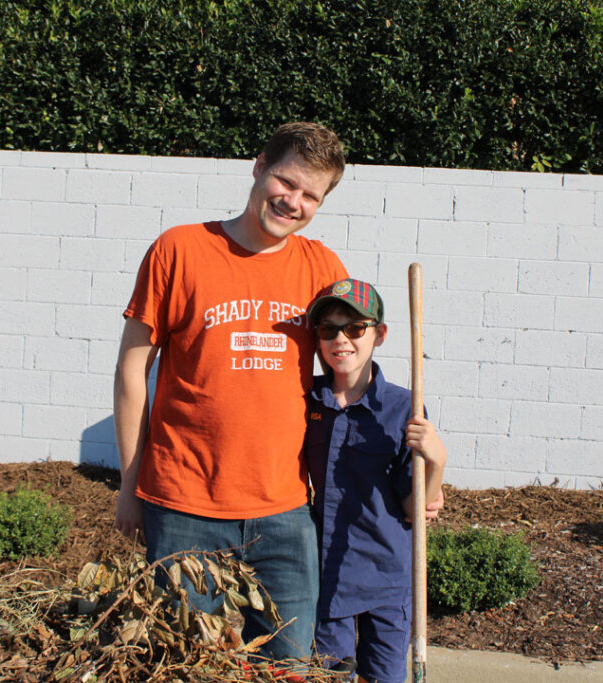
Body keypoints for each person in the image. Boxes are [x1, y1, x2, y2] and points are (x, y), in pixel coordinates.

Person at [112, 122, 349, 663]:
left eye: (310, 195)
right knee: (185, 663)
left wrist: (417, 463)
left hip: (285, 510)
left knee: (288, 661)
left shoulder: (322, 270)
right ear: (259, 165)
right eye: (285, 182)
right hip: (182, 505)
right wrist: (129, 483)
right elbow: (132, 371)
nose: (293, 202)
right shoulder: (180, 250)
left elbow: (349, 380)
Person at [303, 278, 448, 683]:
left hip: (386, 576)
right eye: (328, 329)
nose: (340, 340)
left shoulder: (403, 406)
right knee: (329, 678)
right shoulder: (307, 400)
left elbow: (413, 507)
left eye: (354, 328)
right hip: (328, 574)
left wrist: (437, 461)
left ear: (378, 334)